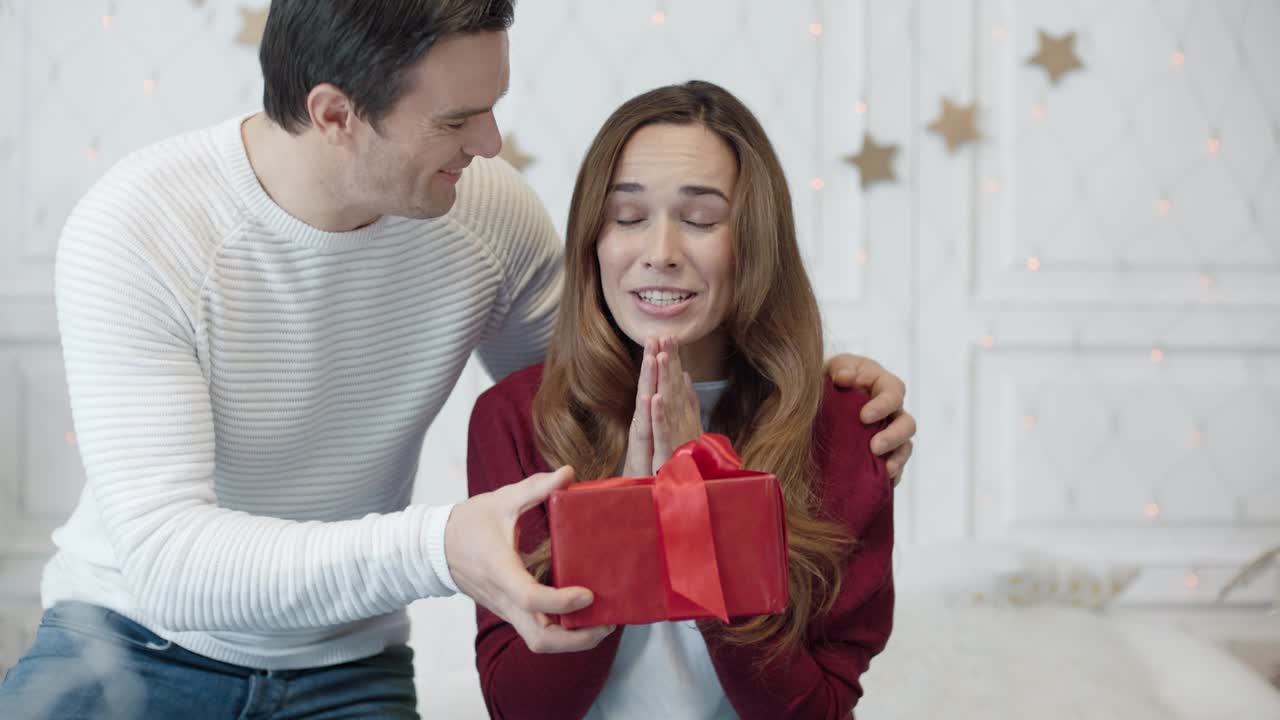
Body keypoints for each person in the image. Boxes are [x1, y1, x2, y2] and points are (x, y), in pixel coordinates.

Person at [0, 2, 914, 718]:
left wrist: (824, 388)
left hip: (346, 665)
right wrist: (443, 544)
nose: (491, 145)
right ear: (335, 116)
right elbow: (167, 558)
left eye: (494, 107)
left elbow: (607, 376)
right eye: (459, 119)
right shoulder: (139, 227)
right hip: (126, 638)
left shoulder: (484, 212)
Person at [468, 80, 896, 719]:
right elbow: (518, 709)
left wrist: (706, 513)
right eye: (628, 218)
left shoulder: (844, 426)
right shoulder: (513, 418)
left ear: (754, 242)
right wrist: (631, 512)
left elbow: (819, 710)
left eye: (699, 220)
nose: (660, 254)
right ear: (594, 241)